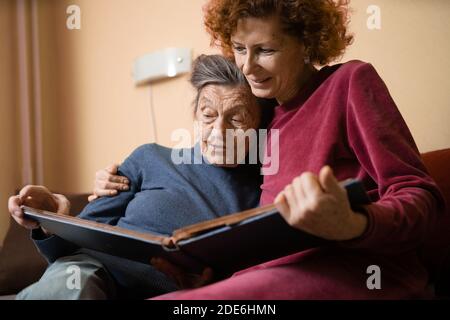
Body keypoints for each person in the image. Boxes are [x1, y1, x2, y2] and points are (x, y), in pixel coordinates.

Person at [95, 0, 447, 299]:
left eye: (265, 50)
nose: (247, 66)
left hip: (364, 272)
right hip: (275, 277)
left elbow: (420, 194)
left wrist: (354, 223)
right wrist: (112, 184)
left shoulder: (349, 83)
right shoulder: (264, 117)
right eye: (240, 48)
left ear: (307, 42)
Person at [8, 54, 265, 299]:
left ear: (258, 125)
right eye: (209, 115)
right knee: (75, 286)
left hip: (165, 290)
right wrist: (53, 217)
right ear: (195, 115)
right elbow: (74, 247)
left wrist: (209, 286)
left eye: (237, 119)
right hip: (92, 273)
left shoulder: (261, 193)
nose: (218, 131)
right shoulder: (149, 158)